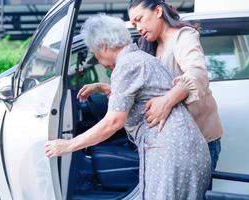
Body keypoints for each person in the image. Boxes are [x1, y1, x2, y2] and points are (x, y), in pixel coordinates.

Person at [45, 14, 211, 199]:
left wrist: (68, 145)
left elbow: (113, 122)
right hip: (187, 149)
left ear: (103, 46)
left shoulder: (126, 65)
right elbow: (137, 96)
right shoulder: (140, 58)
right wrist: (103, 88)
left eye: (95, 53)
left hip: (170, 153)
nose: (98, 59)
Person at [79, 0, 223, 172]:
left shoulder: (183, 36)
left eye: (139, 19)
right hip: (171, 141)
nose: (138, 28)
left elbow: (197, 73)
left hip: (199, 137)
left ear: (158, 11)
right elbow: (147, 87)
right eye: (134, 24)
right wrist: (107, 88)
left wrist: (167, 101)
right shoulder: (147, 46)